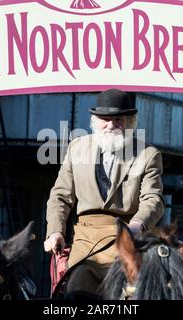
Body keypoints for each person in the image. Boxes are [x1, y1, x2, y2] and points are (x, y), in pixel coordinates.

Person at [44, 88, 165, 298]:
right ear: (94, 120)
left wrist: (136, 227)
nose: (111, 125)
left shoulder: (148, 155)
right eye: (105, 119)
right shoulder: (76, 148)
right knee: (76, 291)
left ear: (130, 121)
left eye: (118, 119)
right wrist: (55, 231)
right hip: (86, 243)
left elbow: (153, 199)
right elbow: (60, 196)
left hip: (128, 241)